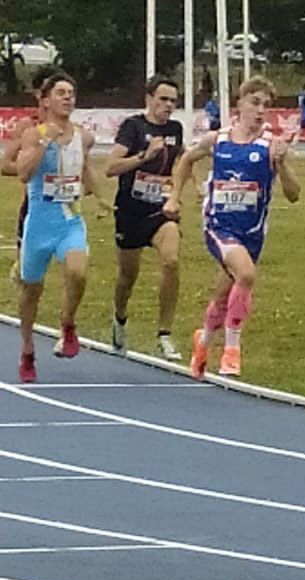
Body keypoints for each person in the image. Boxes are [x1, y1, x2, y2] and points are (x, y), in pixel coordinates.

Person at [164, 76, 300, 378]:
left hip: (252, 232)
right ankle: (231, 350)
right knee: (247, 274)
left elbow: (294, 194)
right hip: (219, 225)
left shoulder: (271, 146)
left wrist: (283, 165)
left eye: (266, 105)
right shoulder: (219, 140)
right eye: (255, 102)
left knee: (226, 295)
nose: (260, 110)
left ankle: (204, 341)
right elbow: (186, 159)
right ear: (240, 103)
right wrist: (175, 197)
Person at [13, 72, 109, 382]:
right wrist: (45, 141)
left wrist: (101, 198)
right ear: (45, 101)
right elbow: (24, 174)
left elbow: (83, 168)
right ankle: (27, 348)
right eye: (61, 92)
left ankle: (67, 325)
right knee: (31, 291)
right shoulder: (33, 134)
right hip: (39, 224)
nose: (68, 98)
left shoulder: (84, 136)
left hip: (70, 219)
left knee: (78, 271)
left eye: (71, 92)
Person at [104, 74, 185, 360]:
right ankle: (120, 317)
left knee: (172, 260)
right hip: (130, 211)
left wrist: (187, 188)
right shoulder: (133, 127)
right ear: (149, 99)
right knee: (128, 276)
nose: (168, 105)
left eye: (173, 101)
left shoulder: (176, 128)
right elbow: (110, 167)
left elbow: (180, 162)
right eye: (163, 99)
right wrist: (144, 155)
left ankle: (165, 334)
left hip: (160, 211)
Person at [2, 66, 56, 285]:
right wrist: (32, 169)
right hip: (34, 206)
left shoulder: (72, 128)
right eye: (50, 90)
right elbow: (5, 165)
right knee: (29, 278)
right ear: (38, 95)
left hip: (66, 207)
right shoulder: (28, 125)